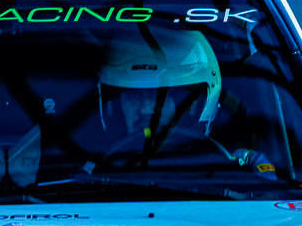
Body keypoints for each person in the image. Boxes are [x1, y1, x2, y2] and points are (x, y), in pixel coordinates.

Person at [95, 27, 277, 177]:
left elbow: (270, 198)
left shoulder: (242, 168)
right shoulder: (87, 174)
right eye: (134, 95)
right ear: (114, 104)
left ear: (195, 106)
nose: (145, 108)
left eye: (160, 96)